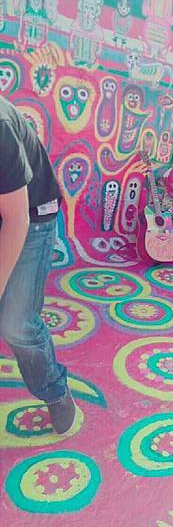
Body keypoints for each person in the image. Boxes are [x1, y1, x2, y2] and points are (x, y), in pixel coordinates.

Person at [0, 95, 75, 435]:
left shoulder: (0, 125)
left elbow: (16, 219)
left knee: (15, 322)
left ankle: (54, 390)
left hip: (32, 216)